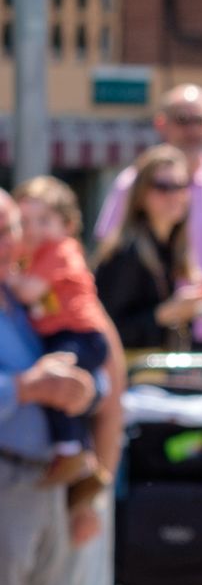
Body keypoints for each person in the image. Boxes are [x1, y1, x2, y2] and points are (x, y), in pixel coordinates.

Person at [0, 190, 100, 585]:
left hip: (41, 479)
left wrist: (81, 390)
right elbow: (27, 384)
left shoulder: (23, 299)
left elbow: (96, 352)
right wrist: (27, 389)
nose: (15, 241)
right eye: (6, 230)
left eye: (14, 228)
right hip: (7, 475)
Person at [95, 85, 202, 343]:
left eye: (200, 120)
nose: (192, 130)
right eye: (182, 120)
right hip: (151, 351)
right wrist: (167, 312)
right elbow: (111, 307)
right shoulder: (129, 194)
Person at [9, 177, 111, 489]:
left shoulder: (60, 250)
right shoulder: (35, 256)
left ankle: (71, 452)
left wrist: (9, 275)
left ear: (67, 224)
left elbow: (30, 293)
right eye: (24, 221)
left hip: (79, 335)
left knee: (58, 382)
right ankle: (82, 461)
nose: (33, 230)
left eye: (44, 220)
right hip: (67, 335)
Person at [94, 144, 202, 354]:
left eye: (181, 186)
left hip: (165, 369)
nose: (174, 195)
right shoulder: (125, 251)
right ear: (140, 196)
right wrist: (165, 314)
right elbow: (107, 331)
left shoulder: (175, 248)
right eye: (162, 186)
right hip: (132, 376)